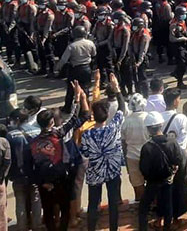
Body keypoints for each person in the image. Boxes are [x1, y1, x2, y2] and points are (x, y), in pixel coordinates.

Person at [25, 81, 84, 231]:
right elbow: (73, 117)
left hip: (44, 183)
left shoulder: (32, 143)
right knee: (64, 209)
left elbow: (29, 168)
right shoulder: (59, 133)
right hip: (61, 180)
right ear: (52, 122)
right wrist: (77, 98)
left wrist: (40, 182)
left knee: (49, 211)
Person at [79, 72, 127, 231]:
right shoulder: (113, 129)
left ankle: (91, 228)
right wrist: (117, 88)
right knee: (113, 203)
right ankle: (114, 228)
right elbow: (121, 107)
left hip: (95, 172)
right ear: (107, 115)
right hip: (112, 171)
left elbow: (85, 154)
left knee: (93, 203)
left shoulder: (87, 134)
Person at [138, 111, 185, 231]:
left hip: (152, 182)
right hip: (167, 179)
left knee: (144, 207)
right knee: (167, 205)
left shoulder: (147, 147)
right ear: (161, 125)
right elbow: (178, 159)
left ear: (148, 129)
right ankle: (167, 227)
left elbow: (143, 168)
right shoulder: (172, 142)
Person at [160, 87, 187, 225]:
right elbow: (182, 141)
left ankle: (164, 214)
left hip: (163, 156)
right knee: (179, 185)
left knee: (165, 186)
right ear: (175, 101)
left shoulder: (159, 117)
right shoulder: (181, 118)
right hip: (178, 155)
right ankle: (177, 216)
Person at [121, 92, 150, 201]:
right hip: (148, 155)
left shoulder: (126, 122)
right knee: (152, 182)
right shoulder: (148, 118)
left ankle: (141, 206)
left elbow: (123, 143)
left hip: (132, 156)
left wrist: (125, 158)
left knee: (137, 183)